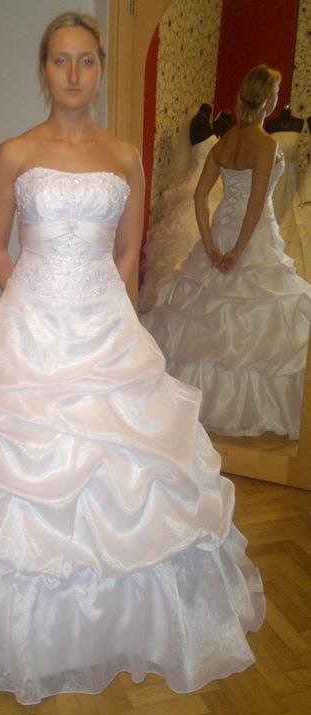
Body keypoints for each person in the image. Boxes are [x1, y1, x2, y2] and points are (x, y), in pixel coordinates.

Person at [0, 14, 265, 705]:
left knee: (125, 476)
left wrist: (117, 317)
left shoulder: (125, 156)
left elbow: (128, 253)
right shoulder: (15, 152)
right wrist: (29, 299)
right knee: (8, 475)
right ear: (44, 69)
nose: (74, 74)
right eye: (60, 60)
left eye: (86, 61)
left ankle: (111, 626)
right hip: (31, 325)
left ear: (100, 70)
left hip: (106, 328)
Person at [142, 65, 311, 439]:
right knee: (253, 320)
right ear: (269, 98)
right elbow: (256, 205)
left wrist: (209, 244)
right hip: (252, 237)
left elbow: (200, 196)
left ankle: (198, 400)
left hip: (221, 233)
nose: (278, 98)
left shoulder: (224, 143)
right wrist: (236, 251)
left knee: (209, 314)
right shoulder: (265, 144)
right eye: (277, 92)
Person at [139, 103, 223, 311]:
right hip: (198, 189)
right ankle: (173, 303)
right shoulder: (199, 124)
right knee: (185, 244)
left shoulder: (220, 123)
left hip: (219, 191)